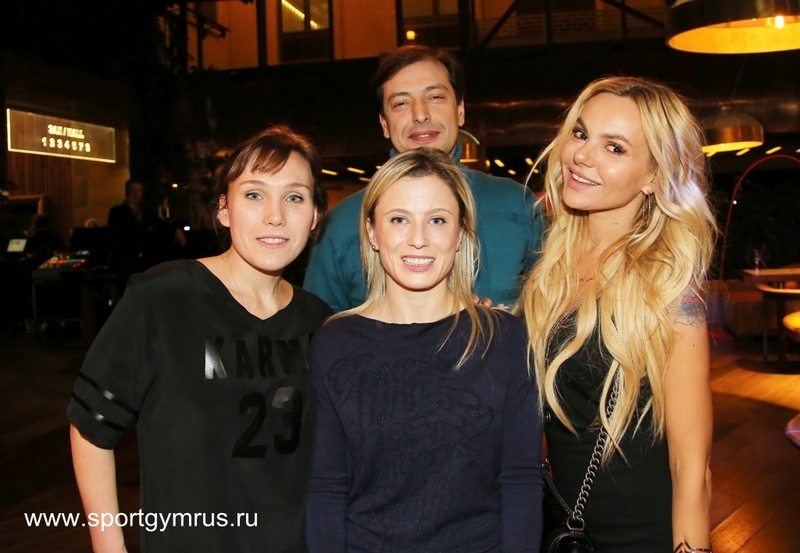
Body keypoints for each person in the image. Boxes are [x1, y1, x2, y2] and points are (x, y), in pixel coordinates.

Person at [68, 125, 332, 552]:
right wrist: (109, 546)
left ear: (315, 216)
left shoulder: (320, 322)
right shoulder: (163, 296)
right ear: (224, 209)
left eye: (295, 197)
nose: (275, 215)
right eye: (254, 194)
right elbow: (90, 429)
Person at [306, 148, 543, 552]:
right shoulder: (334, 344)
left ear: (461, 233)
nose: (418, 239)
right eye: (399, 219)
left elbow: (520, 480)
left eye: (437, 220)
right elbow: (327, 486)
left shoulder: (505, 340)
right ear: (372, 232)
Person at [517, 76, 717, 552]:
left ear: (654, 176)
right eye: (581, 134)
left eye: (615, 148)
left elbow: (691, 468)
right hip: (563, 530)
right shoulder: (550, 269)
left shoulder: (667, 290)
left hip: (639, 537)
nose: (581, 156)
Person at [303, 45, 546, 312]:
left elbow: (557, 303)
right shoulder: (343, 222)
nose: (420, 114)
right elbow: (317, 324)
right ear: (384, 124)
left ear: (460, 110)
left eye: (435, 97)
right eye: (401, 103)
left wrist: (509, 324)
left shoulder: (517, 204)